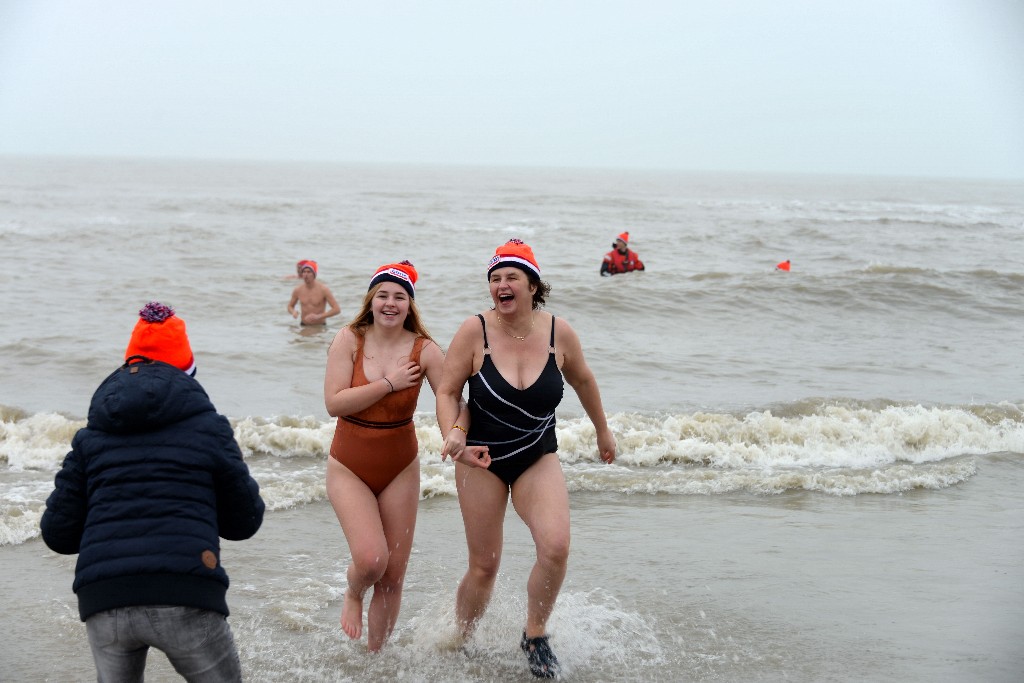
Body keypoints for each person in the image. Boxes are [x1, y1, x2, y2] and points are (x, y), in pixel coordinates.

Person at [40, 301, 265, 683]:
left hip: (104, 598)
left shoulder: (91, 436)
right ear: (187, 370)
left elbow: (58, 535)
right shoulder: (209, 427)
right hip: (186, 590)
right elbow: (244, 521)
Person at [436, 238, 617, 678]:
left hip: (537, 455)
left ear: (533, 285)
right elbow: (446, 390)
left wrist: (602, 429)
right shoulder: (473, 330)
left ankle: (534, 634)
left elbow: (584, 381)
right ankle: (459, 639)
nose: (501, 285)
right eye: (495, 278)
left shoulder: (559, 333)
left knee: (555, 547)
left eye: (511, 277)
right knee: (485, 565)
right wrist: (453, 438)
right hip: (481, 459)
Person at [324, 260, 470, 652]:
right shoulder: (348, 340)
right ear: (371, 301)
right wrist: (389, 384)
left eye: (399, 297)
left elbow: (454, 398)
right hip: (348, 465)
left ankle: (375, 661)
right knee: (372, 561)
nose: (390, 303)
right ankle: (354, 591)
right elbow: (334, 403)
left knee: (393, 576)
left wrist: (457, 434)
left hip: (400, 468)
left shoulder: (425, 350)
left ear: (410, 305)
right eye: (383, 295)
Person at [289, 260, 341, 325]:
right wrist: (293, 312)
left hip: (319, 327)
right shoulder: (298, 290)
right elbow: (290, 306)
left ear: (314, 274)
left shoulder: (323, 289)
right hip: (304, 326)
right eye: (304, 272)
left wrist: (318, 316)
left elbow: (337, 309)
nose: (306, 274)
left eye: (309, 272)